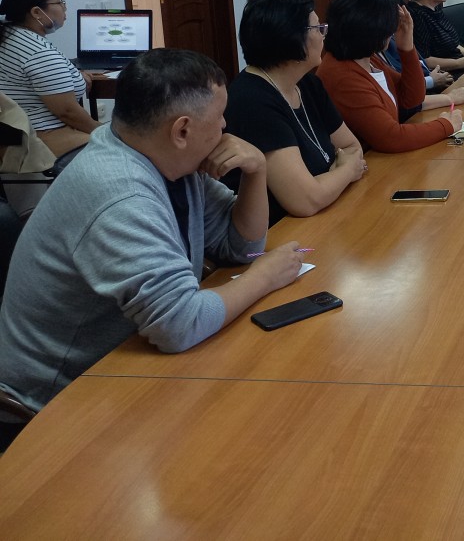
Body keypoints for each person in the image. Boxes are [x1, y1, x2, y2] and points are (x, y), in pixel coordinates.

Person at [0, 49, 304, 433]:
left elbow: (243, 247)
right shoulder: (120, 192)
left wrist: (256, 170)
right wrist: (265, 277)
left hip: (124, 365)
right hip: (52, 406)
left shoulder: (165, 159)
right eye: (219, 116)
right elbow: (180, 325)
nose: (226, 126)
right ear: (182, 131)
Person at [223, 0, 367, 225]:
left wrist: (329, 181)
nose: (323, 35)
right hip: (279, 232)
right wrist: (347, 171)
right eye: (318, 28)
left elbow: (352, 147)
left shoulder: (308, 83)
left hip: (328, 213)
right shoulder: (252, 101)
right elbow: (305, 200)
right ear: (290, 37)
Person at [317, 0, 464, 152]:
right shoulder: (342, 75)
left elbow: (412, 98)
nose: (394, 30)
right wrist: (446, 125)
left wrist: (406, 47)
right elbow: (392, 138)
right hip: (372, 161)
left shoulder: (368, 58)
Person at [0, 0, 101, 164]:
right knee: (121, 148)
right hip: (42, 137)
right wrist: (104, 132)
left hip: (13, 136)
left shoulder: (10, 36)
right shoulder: (38, 52)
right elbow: (67, 112)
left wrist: (73, 76)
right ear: (37, 12)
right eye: (59, 2)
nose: (64, 7)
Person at [358, 0, 454, 91]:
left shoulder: (399, 22)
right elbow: (397, 88)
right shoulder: (377, 37)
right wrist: (432, 81)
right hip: (423, 89)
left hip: (426, 81)